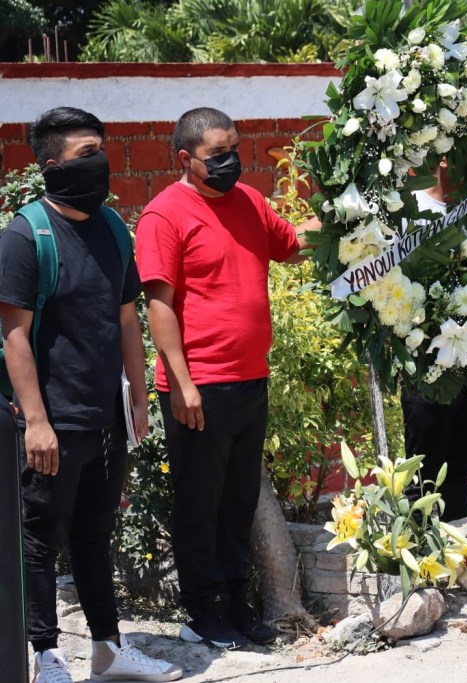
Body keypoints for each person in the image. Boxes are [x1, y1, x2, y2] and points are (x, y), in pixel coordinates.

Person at [0, 108, 181, 682]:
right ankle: (47, 655)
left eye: (100, 149)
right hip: (54, 419)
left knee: (94, 535)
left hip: (105, 415)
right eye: (85, 154)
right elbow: (15, 335)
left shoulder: (109, 227)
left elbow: (127, 318)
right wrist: (36, 422)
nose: (99, 162)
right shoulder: (26, 236)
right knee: (40, 540)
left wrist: (137, 397)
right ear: (51, 166)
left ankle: (107, 648)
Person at [135, 108, 319, 649]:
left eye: (234, 148)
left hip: (249, 380)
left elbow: (291, 246)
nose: (230, 160)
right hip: (199, 388)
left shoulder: (250, 202)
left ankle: (236, 605)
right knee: (200, 502)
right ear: (186, 159)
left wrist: (349, 208)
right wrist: (182, 382)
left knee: (237, 500)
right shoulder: (164, 215)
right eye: (218, 154)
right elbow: (158, 306)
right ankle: (202, 613)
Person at [401, 161, 467, 521]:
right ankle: (419, 556)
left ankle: (458, 554)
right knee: (425, 470)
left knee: (462, 463)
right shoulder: (408, 211)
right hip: (426, 364)